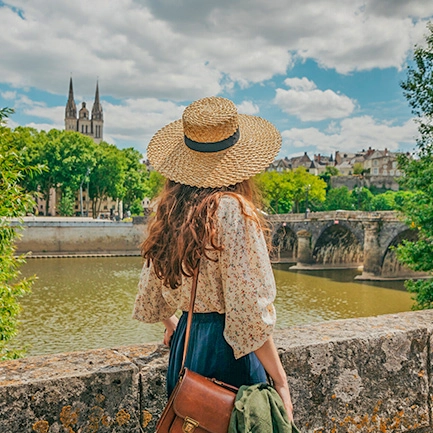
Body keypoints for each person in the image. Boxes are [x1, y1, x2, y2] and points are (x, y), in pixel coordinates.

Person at [132, 96, 294, 421]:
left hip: (186, 347)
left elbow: (150, 294)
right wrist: (280, 380)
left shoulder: (169, 213)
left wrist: (177, 324)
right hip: (228, 351)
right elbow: (249, 314)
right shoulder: (233, 210)